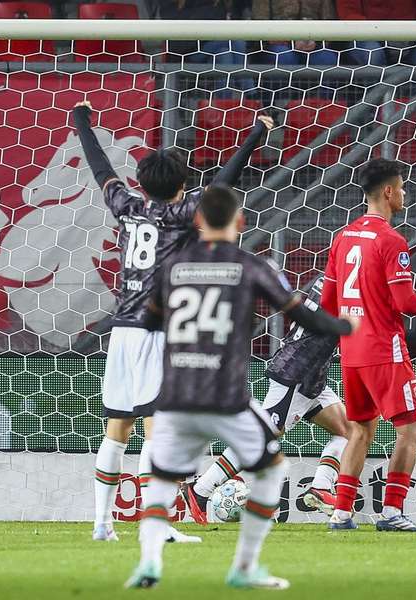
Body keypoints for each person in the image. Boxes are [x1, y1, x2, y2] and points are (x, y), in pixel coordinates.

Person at [125, 184, 359, 589]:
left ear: (196, 221)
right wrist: (342, 327)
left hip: (178, 388)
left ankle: (148, 564)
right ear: (240, 222)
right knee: (270, 469)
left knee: (162, 477)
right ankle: (245, 565)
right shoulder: (249, 266)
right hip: (225, 390)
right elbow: (297, 311)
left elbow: (148, 321)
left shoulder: (174, 266)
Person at [72, 99, 273, 542]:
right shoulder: (182, 214)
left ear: (139, 183)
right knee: (156, 428)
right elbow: (225, 181)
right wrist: (256, 133)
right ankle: (157, 526)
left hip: (121, 329)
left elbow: (100, 166)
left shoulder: (125, 206)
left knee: (117, 428)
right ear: (183, 184)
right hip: (158, 331)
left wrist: (82, 121)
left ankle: (102, 523)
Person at [181, 273, 416, 519]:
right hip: (296, 374)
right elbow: (383, 338)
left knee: (349, 431)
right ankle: (202, 490)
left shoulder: (331, 280)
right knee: (261, 437)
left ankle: (320, 487)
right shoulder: (352, 294)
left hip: (311, 376)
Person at [321, 158, 416, 532]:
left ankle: (341, 513)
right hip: (384, 350)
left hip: (351, 352)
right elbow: (404, 303)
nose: (404, 194)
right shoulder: (391, 240)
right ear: (388, 192)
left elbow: (327, 303)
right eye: (401, 188)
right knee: (411, 430)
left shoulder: (343, 237)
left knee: (360, 431)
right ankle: (391, 513)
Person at [335, 0, 416, 66]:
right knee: (373, 53)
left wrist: (410, 35)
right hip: (367, 37)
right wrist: (381, 33)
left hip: (410, 40)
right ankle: (374, 103)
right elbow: (349, 14)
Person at [252, 0, 339, 67]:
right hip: (276, 45)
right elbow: (259, 23)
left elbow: (329, 23)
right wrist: (291, 42)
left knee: (327, 58)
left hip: (313, 45)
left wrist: (316, 42)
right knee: (284, 56)